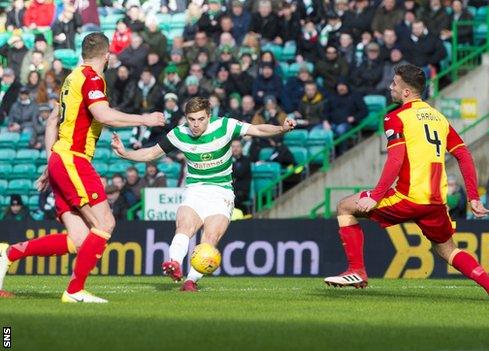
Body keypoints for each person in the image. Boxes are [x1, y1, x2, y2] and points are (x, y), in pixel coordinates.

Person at [0, 32, 165, 302]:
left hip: (60, 160)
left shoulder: (70, 79)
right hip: (73, 159)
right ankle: (75, 291)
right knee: (105, 222)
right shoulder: (90, 78)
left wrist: (49, 164)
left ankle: (9, 253)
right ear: (107, 55)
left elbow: (53, 120)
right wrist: (144, 119)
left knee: (79, 239)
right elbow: (102, 115)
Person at [323, 64, 489, 301]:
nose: (391, 87)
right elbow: (463, 154)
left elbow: (396, 159)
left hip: (408, 196)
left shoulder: (395, 117)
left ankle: (357, 271)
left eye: (395, 84)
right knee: (447, 250)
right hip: (436, 201)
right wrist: (473, 197)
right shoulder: (438, 118)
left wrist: (376, 196)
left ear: (407, 92)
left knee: (344, 207)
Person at [110, 97, 296, 292]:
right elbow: (151, 154)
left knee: (210, 238)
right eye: (191, 119)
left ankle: (190, 281)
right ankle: (173, 263)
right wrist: (125, 153)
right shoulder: (179, 134)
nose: (196, 124)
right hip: (195, 190)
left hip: (221, 193)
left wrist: (281, 129)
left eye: (200, 119)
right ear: (186, 118)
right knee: (184, 226)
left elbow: (257, 130)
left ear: (209, 116)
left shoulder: (225, 125)